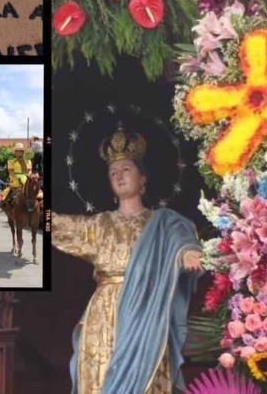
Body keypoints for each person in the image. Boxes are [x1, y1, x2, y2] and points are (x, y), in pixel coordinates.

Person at [52, 125, 202, 394]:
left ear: (143, 179)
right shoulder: (99, 224)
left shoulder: (162, 224)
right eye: (113, 173)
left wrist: (186, 254)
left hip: (147, 312)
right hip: (103, 316)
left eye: (126, 170)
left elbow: (182, 241)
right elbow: (61, 226)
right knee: (100, 380)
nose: (119, 176)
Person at [1, 143, 33, 207]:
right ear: (15, 152)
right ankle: (6, 202)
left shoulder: (28, 161)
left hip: (25, 177)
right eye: (17, 151)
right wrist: (17, 177)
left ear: (23, 152)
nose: (19, 152)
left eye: (20, 151)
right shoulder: (11, 161)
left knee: (34, 187)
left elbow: (30, 171)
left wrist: (28, 176)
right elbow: (10, 171)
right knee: (7, 194)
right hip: (15, 177)